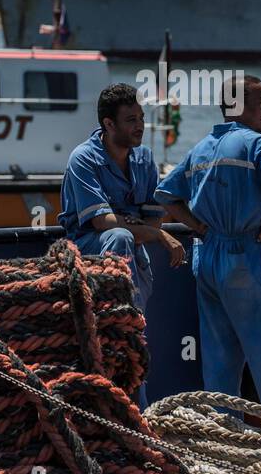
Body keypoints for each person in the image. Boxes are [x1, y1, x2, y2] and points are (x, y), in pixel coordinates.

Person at [155, 74, 261, 427]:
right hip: (250, 257)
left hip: (208, 258)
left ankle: (224, 431)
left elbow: (165, 195)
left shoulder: (200, 149)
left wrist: (197, 226)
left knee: (219, 355)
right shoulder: (256, 145)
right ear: (241, 107)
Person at [59, 83, 186, 314]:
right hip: (89, 251)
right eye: (131, 120)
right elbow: (101, 222)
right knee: (119, 236)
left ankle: (127, 320)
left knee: (124, 236)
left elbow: (154, 219)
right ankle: (120, 314)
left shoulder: (145, 158)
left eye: (141, 118)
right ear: (109, 124)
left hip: (135, 255)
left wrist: (149, 230)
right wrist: (157, 235)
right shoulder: (83, 159)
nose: (140, 126)